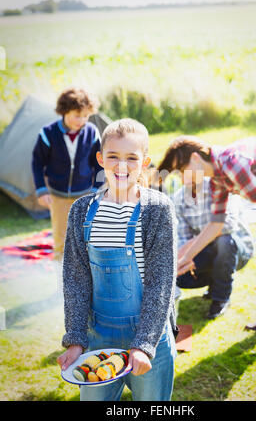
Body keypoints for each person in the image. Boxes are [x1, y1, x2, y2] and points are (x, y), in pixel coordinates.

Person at [57, 118, 178, 401]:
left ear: (145, 162)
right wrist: (75, 339)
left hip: (150, 337)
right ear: (100, 159)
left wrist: (144, 344)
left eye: (131, 158)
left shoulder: (158, 210)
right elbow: (75, 280)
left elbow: (161, 283)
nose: (121, 165)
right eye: (113, 156)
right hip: (98, 338)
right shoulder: (81, 211)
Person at [157, 135, 256, 340]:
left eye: (181, 169)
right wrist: (183, 259)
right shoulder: (218, 179)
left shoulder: (231, 163)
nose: (181, 177)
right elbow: (216, 225)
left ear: (196, 158)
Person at [32, 87, 104, 260]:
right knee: (61, 240)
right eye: (77, 116)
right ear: (64, 111)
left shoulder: (92, 132)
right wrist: (41, 189)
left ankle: (86, 279)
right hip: (58, 196)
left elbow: (99, 163)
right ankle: (61, 281)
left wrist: (97, 189)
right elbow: (37, 163)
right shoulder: (48, 134)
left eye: (86, 116)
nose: (82, 120)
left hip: (85, 195)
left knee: (86, 238)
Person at [169, 175, 254, 319]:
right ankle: (215, 282)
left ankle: (221, 298)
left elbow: (227, 226)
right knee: (180, 275)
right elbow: (183, 239)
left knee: (224, 241)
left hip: (237, 248)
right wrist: (181, 261)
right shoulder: (178, 198)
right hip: (206, 250)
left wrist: (201, 239)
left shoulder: (222, 186)